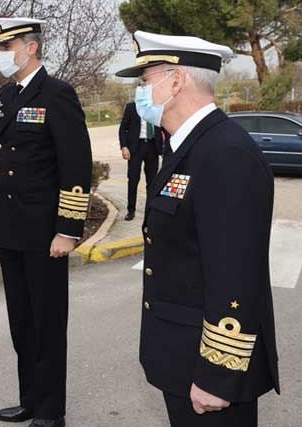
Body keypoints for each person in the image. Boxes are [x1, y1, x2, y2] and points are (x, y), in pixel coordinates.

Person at [115, 30, 279, 427]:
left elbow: (236, 275)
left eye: (144, 80)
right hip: (181, 356)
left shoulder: (226, 153)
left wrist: (218, 376)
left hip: (208, 368)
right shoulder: (186, 147)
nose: (140, 92)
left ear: (176, 80)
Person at [0, 17, 92, 427]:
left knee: (47, 322)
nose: (0, 56)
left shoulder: (58, 94)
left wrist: (68, 230)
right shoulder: (7, 96)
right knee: (22, 322)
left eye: (6, 48)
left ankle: (51, 412)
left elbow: (76, 166)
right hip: (11, 227)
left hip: (46, 232)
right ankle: (31, 400)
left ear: (31, 48)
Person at [119, 100, 164, 221]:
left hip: (152, 147)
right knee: (133, 180)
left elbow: (163, 127)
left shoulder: (157, 107)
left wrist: (165, 148)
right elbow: (123, 128)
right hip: (135, 148)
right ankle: (131, 210)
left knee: (152, 182)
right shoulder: (132, 107)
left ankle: (150, 211)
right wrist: (124, 146)